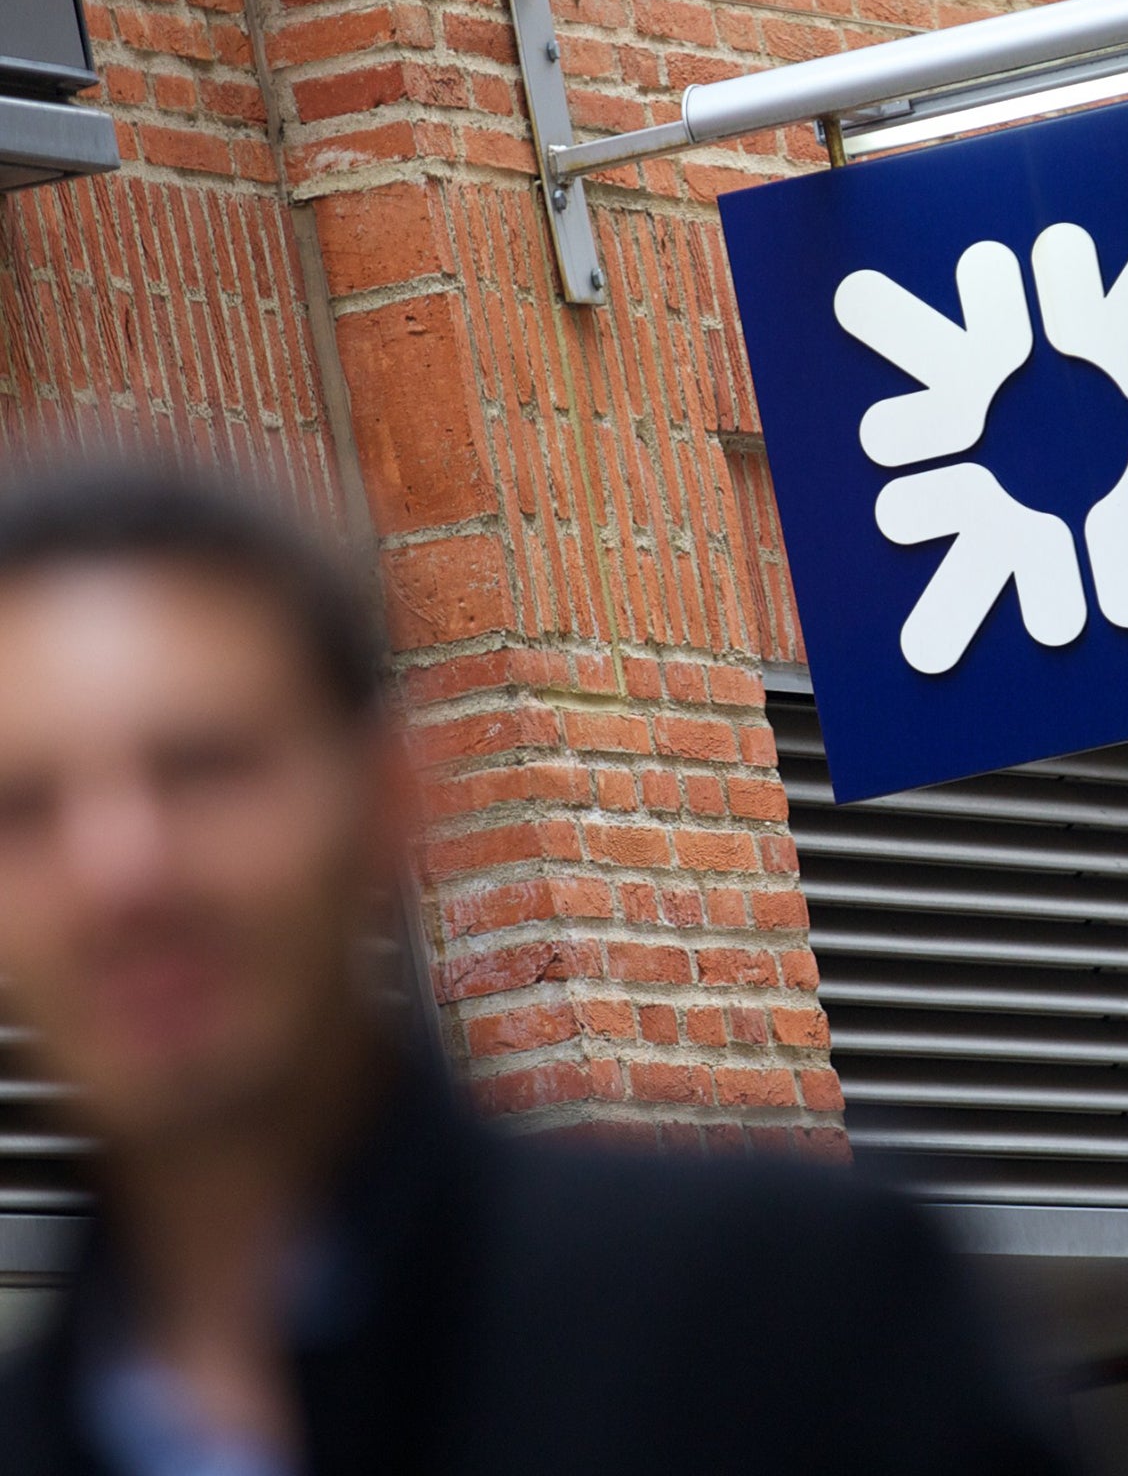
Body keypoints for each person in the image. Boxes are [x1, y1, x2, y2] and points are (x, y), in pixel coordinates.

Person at [0, 465, 1067, 1475]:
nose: (118, 872)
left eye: (200, 767)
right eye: (24, 807)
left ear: (384, 800)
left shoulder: (781, 1321)